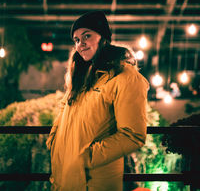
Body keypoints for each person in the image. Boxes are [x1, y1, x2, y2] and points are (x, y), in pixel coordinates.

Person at [46, 11, 149, 191]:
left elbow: (132, 135)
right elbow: (65, 109)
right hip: (65, 178)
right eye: (77, 40)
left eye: (87, 36)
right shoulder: (82, 77)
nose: (81, 44)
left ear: (103, 38)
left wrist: (86, 157)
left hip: (94, 181)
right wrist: (54, 142)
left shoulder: (125, 77)